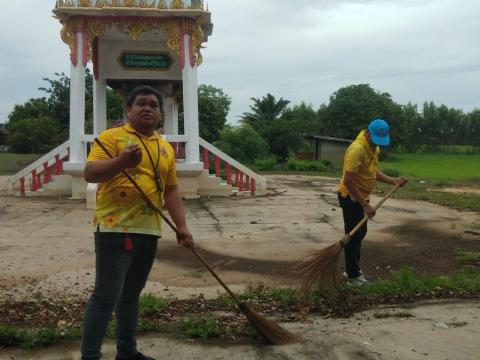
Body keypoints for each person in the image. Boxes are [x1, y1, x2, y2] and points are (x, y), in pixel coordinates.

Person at [81, 85, 193, 360]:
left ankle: (127, 353)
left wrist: (182, 226)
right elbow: (90, 173)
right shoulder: (112, 138)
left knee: (130, 297)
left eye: (154, 105)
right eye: (141, 103)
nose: (147, 108)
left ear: (160, 114)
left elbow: (171, 190)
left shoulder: (165, 147)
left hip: (149, 230)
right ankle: (90, 357)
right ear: (128, 110)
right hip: (114, 229)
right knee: (106, 297)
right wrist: (121, 162)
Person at [337, 119, 407, 285]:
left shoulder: (374, 148)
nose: (377, 144)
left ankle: (353, 271)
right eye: (375, 139)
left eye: (379, 141)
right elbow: (348, 181)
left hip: (362, 197)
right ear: (368, 132)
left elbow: (373, 171)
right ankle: (353, 277)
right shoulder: (357, 150)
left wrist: (393, 180)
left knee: (360, 233)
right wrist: (365, 205)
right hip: (350, 196)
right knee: (353, 235)